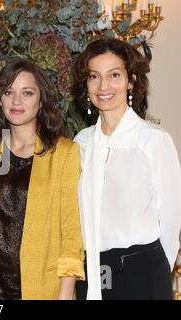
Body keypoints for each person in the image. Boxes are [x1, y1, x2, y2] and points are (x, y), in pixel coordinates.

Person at [0, 59, 85, 300]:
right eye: (8, 92)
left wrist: (65, 295)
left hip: (43, 290)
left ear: (41, 99)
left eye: (27, 93)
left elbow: (71, 234)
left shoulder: (65, 153)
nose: (16, 101)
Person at [72, 38, 181, 300]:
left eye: (114, 75)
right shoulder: (81, 143)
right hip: (92, 271)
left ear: (131, 81)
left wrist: (153, 273)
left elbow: (171, 220)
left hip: (142, 271)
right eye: (94, 77)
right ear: (86, 85)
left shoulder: (153, 140)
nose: (103, 86)